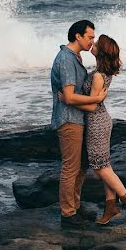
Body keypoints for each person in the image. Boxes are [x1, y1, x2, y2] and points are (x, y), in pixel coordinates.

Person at [64, 34, 126, 225]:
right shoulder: (100, 72)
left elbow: (91, 107)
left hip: (97, 122)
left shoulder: (98, 76)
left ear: (102, 51)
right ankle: (110, 206)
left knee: (99, 167)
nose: (93, 44)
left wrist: (68, 99)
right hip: (99, 121)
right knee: (104, 165)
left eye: (97, 43)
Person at [50, 20, 106, 228]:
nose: (93, 41)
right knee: (71, 167)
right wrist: (96, 100)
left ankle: (75, 205)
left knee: (81, 166)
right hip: (69, 120)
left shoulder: (75, 57)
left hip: (79, 119)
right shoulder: (66, 59)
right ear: (78, 36)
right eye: (90, 37)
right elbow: (70, 97)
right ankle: (67, 214)